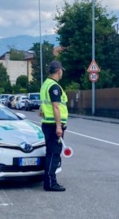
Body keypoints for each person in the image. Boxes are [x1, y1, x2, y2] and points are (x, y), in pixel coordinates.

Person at [39, 60, 68, 192]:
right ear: (58, 70)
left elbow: (44, 105)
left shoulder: (45, 84)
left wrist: (43, 110)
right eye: (61, 70)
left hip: (47, 123)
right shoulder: (54, 87)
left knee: (50, 153)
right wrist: (58, 127)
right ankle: (50, 183)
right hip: (53, 125)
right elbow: (55, 106)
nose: (62, 73)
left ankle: (48, 181)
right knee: (54, 153)